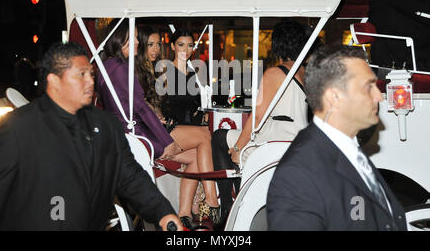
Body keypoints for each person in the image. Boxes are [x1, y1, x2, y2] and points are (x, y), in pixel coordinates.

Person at [0, 42, 182, 230]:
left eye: (91, 74)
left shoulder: (106, 125)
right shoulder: (18, 129)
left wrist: (163, 212)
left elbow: (130, 177)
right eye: (81, 75)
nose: (90, 81)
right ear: (55, 80)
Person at [267, 45, 407, 231]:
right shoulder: (298, 175)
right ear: (334, 97)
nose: (379, 96)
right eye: (368, 87)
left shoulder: (348, 150)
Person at [97, 20, 220, 230]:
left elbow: (141, 106)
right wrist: (166, 141)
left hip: (134, 133)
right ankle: (212, 201)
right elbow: (141, 109)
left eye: (137, 37)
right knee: (204, 136)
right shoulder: (120, 68)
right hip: (139, 137)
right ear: (119, 38)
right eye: (133, 37)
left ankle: (184, 213)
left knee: (197, 156)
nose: (137, 42)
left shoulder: (110, 66)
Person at [211, 19, 311, 225]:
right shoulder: (305, 72)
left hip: (275, 141)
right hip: (297, 141)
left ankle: (229, 207)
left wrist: (238, 147)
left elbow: (257, 117)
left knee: (219, 137)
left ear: (278, 45)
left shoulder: (275, 73)